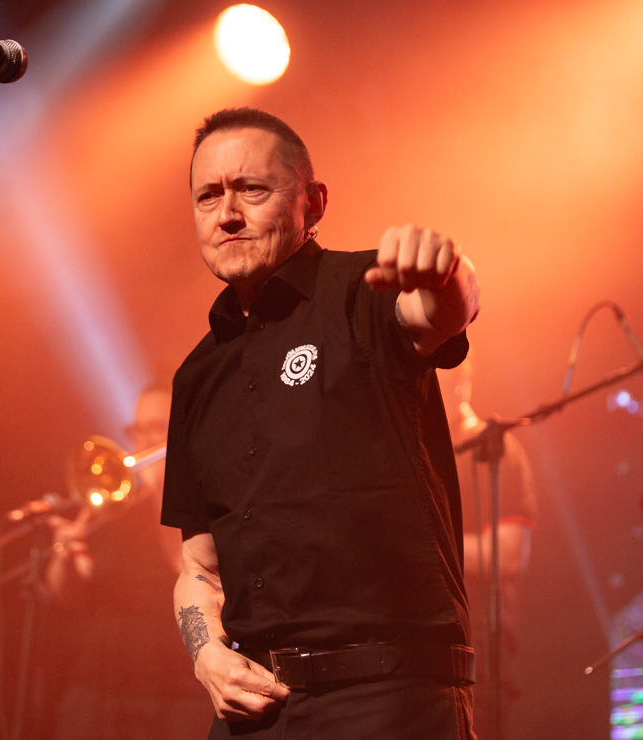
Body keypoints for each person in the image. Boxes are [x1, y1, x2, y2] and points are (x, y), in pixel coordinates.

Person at [161, 107, 481, 739]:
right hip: (258, 710)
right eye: (208, 196)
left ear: (313, 203)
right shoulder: (197, 375)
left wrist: (449, 271)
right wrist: (206, 655)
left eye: (252, 189)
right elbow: (199, 568)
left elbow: (445, 311)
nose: (227, 214)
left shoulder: (362, 291)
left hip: (388, 699)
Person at [44, 384, 208, 739]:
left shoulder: (207, 507)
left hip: (177, 698)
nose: (144, 440)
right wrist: (65, 555)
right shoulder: (115, 511)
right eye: (137, 430)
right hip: (100, 692)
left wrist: (165, 489)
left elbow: (183, 571)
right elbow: (69, 596)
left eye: (157, 427)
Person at [439, 356, 537, 740]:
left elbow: (508, 556)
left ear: (461, 384)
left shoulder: (497, 449)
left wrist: (418, 548)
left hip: (480, 641)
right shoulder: (412, 451)